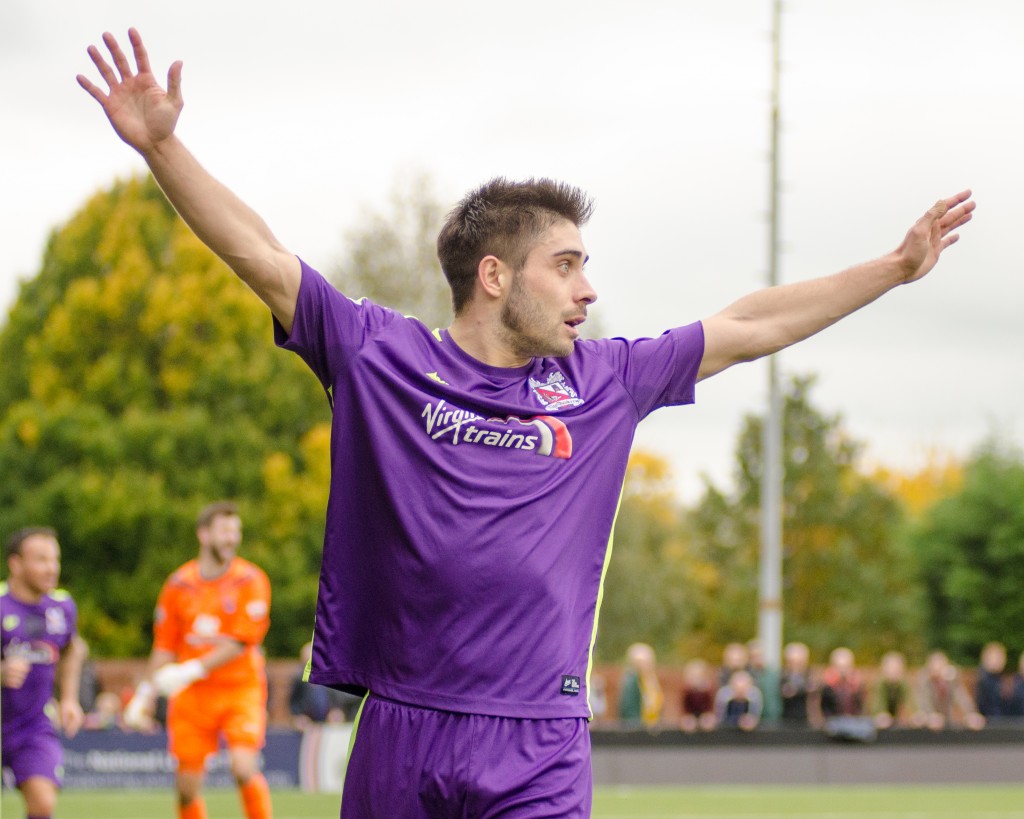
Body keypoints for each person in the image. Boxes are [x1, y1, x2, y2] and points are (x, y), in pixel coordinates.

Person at [78, 27, 975, 817]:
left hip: (540, 738)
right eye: (569, 263)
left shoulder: (607, 381)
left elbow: (749, 325)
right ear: (497, 276)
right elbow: (265, 258)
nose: (589, 288)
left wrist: (894, 268)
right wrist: (165, 151)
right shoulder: (378, 355)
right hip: (401, 725)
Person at [122, 502, 272, 819]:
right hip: (192, 696)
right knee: (186, 789)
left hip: (239, 689)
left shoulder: (251, 580)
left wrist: (190, 670)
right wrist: (144, 695)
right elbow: (164, 646)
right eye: (225, 531)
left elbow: (240, 642)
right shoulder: (178, 585)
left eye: (236, 531)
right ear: (203, 534)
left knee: (243, 768)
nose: (232, 538)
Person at [1, 527, 88, 819]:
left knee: (43, 804)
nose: (52, 568)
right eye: (41, 560)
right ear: (16, 564)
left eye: (55, 560)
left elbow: (74, 650)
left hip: (31, 726)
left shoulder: (62, 607)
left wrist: (69, 698)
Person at [289, 641, 361, 728]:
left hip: (329, 720)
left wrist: (337, 711)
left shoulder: (332, 676)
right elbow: (294, 702)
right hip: (308, 721)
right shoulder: (299, 678)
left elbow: (340, 699)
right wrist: (298, 716)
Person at [915, 649, 985, 731]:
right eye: (935, 665)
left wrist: (971, 714)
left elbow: (962, 698)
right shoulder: (924, 681)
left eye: (941, 665)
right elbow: (921, 703)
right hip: (926, 727)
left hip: (946, 723)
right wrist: (930, 716)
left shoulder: (951, 681)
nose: (937, 669)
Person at [617, 642, 663, 727]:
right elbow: (628, 708)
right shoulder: (631, 681)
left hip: (651, 726)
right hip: (637, 728)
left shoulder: (650, 680)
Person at [869, 650, 919, 729]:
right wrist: (881, 715)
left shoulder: (904, 684)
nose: (894, 671)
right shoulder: (879, 684)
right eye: (891, 668)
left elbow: (910, 703)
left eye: (897, 669)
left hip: (899, 723)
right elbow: (876, 706)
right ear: (884, 669)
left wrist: (913, 715)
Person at [779, 641, 818, 727]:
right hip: (785, 719)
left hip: (807, 719)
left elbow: (813, 689)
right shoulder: (782, 675)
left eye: (799, 661)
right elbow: (786, 692)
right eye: (793, 661)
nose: (796, 665)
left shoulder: (810, 674)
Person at [974, 641, 1015, 720]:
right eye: (994, 657)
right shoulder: (979, 680)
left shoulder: (1006, 681)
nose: (997, 661)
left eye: (1000, 657)